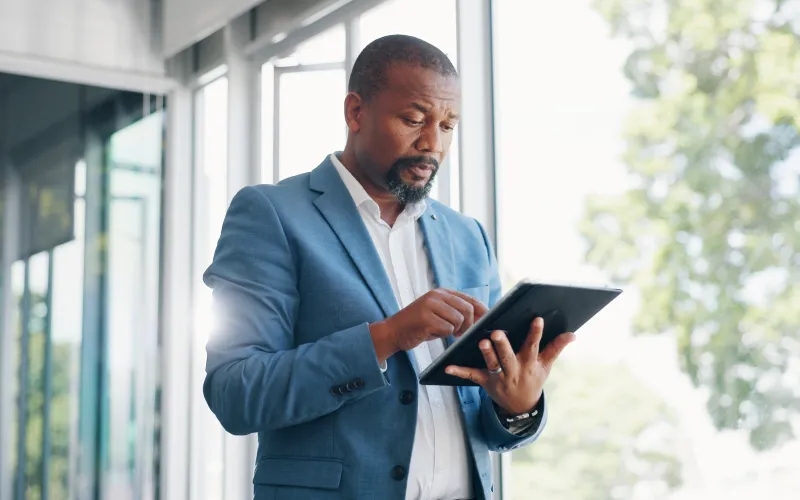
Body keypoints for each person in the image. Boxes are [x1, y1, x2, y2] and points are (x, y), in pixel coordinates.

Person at [203, 34, 575, 500]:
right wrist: (387, 336)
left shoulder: (468, 237)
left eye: (448, 125)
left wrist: (518, 404)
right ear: (356, 112)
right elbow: (236, 392)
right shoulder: (272, 214)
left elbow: (487, 419)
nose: (432, 144)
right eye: (414, 119)